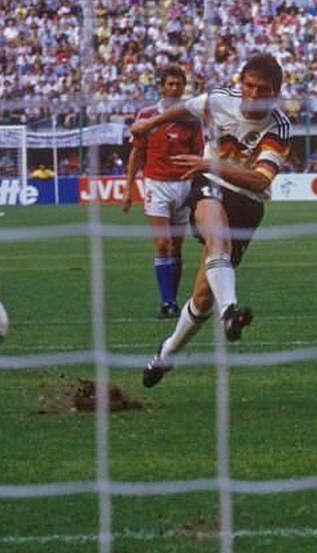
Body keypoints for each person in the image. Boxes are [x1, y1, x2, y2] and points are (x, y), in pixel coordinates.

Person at [133, 53, 291, 388]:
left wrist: (211, 165)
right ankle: (230, 312)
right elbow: (186, 107)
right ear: (241, 84)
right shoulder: (220, 100)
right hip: (211, 186)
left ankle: (167, 353)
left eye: (263, 89)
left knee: (203, 296)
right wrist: (150, 124)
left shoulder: (279, 128)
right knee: (217, 236)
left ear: (275, 93)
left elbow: (261, 181)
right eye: (248, 86)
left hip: (248, 202)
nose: (253, 94)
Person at [123, 65, 205, 320]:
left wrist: (196, 185)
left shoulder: (191, 120)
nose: (174, 88)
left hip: (183, 186)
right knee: (162, 243)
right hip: (156, 185)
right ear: (161, 87)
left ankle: (173, 297)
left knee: (177, 246)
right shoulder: (146, 116)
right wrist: (128, 188)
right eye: (170, 84)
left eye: (178, 84)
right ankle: (167, 302)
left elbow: (199, 155)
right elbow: (137, 153)